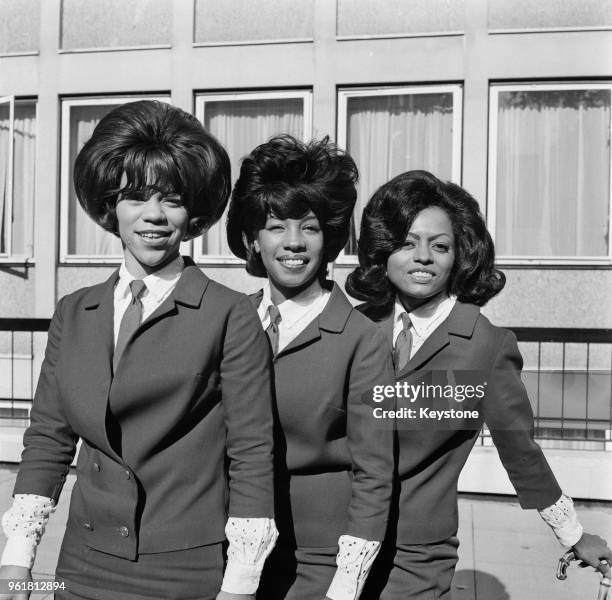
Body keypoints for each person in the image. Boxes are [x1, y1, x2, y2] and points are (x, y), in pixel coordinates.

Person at [0, 100, 277, 600]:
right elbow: (48, 439)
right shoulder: (73, 311)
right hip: (79, 565)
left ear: (194, 213)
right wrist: (17, 562)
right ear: (111, 206)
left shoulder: (230, 314)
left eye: (172, 199)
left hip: (185, 573)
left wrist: (240, 585)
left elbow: (252, 454)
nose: (154, 215)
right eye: (136, 197)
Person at [346, 170, 612, 600]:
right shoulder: (352, 324)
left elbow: (520, 451)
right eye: (407, 242)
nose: (423, 257)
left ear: (460, 256)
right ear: (383, 248)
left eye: (440, 245)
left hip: (414, 555)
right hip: (327, 541)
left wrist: (573, 533)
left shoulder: (486, 345)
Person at [226, 134, 394, 600]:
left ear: (331, 239)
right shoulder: (226, 321)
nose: (294, 242)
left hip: (319, 561)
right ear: (251, 240)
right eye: (276, 226)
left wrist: (345, 584)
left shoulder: (363, 340)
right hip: (224, 548)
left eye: (311, 227)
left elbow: (374, 473)